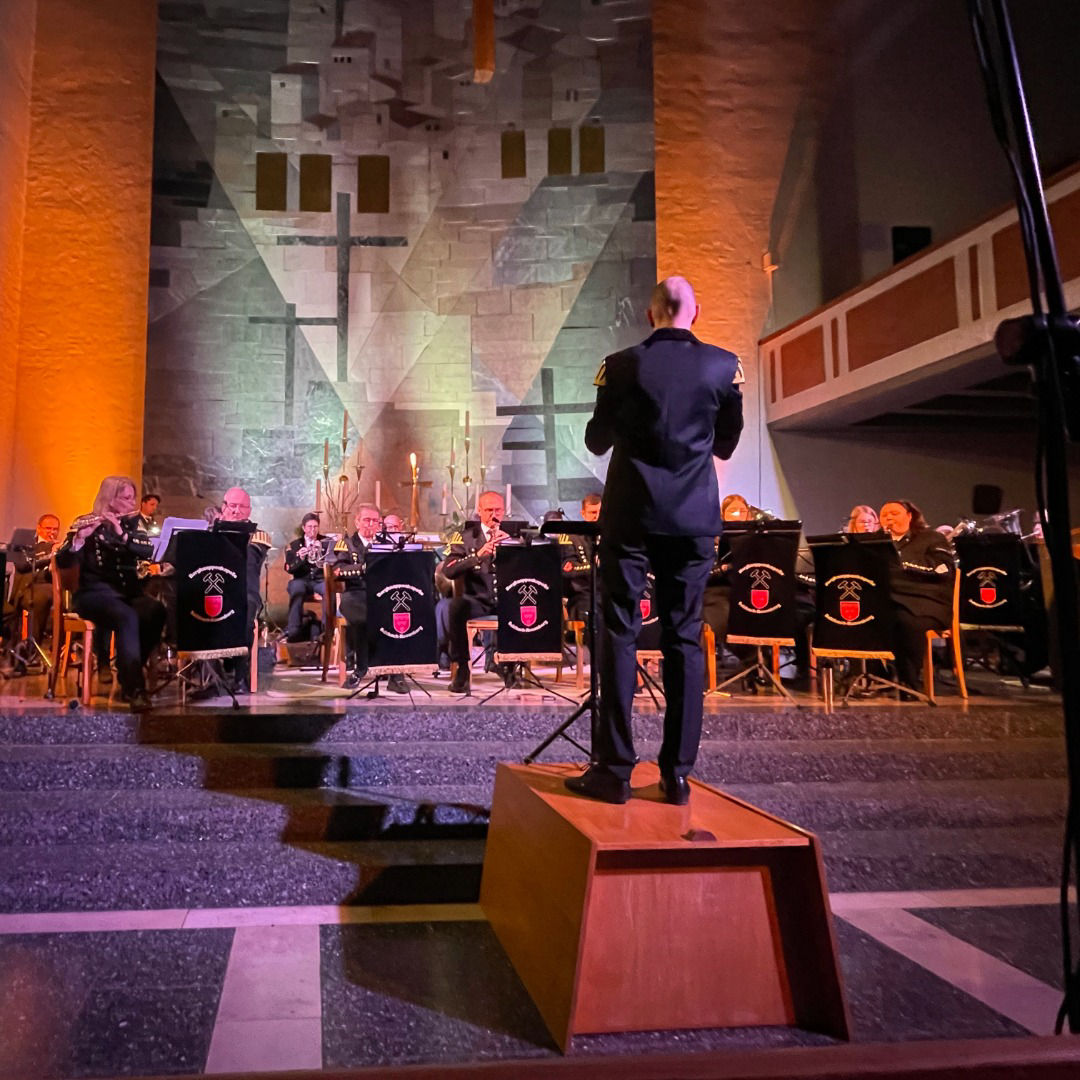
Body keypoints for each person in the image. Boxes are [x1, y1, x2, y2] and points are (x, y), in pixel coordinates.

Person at [568, 275, 743, 804]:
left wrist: (631, 421)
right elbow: (728, 445)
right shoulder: (724, 365)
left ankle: (615, 770)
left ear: (649, 316)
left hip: (631, 516)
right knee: (683, 638)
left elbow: (596, 441)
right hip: (691, 519)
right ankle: (678, 774)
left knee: (620, 633)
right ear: (698, 312)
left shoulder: (621, 365)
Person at [55, 476, 166, 710]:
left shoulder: (131, 526)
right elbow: (63, 561)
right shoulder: (86, 522)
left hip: (127, 593)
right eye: (126, 498)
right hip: (93, 595)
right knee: (127, 616)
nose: (131, 503)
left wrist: (121, 534)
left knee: (155, 610)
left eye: (133, 498)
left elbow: (146, 550)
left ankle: (129, 671)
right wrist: (78, 540)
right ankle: (134, 688)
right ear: (110, 499)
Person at [879, 499, 955, 689]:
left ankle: (909, 681)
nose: (888, 517)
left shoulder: (931, 537)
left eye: (894, 513)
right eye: (884, 514)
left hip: (926, 603)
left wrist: (901, 566)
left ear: (910, 516)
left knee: (905, 621)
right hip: (891, 600)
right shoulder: (877, 541)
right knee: (867, 617)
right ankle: (877, 675)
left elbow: (943, 568)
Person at [443, 491, 512, 694]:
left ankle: (511, 666)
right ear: (479, 511)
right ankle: (463, 668)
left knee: (525, 606)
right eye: (489, 510)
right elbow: (449, 569)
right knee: (456, 607)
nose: (493, 514)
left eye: (497, 510)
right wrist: (478, 556)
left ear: (504, 511)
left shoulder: (513, 536)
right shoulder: (464, 538)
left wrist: (510, 548)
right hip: (478, 600)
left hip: (505, 599)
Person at [10, 513, 61, 647]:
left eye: (55, 529)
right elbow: (22, 566)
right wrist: (51, 554)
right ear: (38, 528)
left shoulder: (59, 547)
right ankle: (33, 648)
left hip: (50, 587)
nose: (52, 532)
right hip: (26, 588)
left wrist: (61, 554)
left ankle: (64, 647)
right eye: (48, 528)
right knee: (41, 597)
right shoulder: (26, 544)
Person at [283, 513, 327, 642]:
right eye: (309, 527)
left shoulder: (325, 542)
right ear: (303, 528)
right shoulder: (295, 545)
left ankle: (326, 630)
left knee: (328, 589)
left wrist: (322, 552)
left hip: (319, 579)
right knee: (297, 588)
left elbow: (333, 560)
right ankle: (294, 629)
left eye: (315, 527)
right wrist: (300, 558)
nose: (312, 530)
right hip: (301, 579)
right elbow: (289, 568)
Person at [561, 494, 602, 623]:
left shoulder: (613, 537)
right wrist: (595, 566)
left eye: (600, 512)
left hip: (608, 593)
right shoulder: (572, 536)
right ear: (583, 514)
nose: (597, 517)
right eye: (592, 512)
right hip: (583, 593)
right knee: (586, 605)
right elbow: (568, 568)